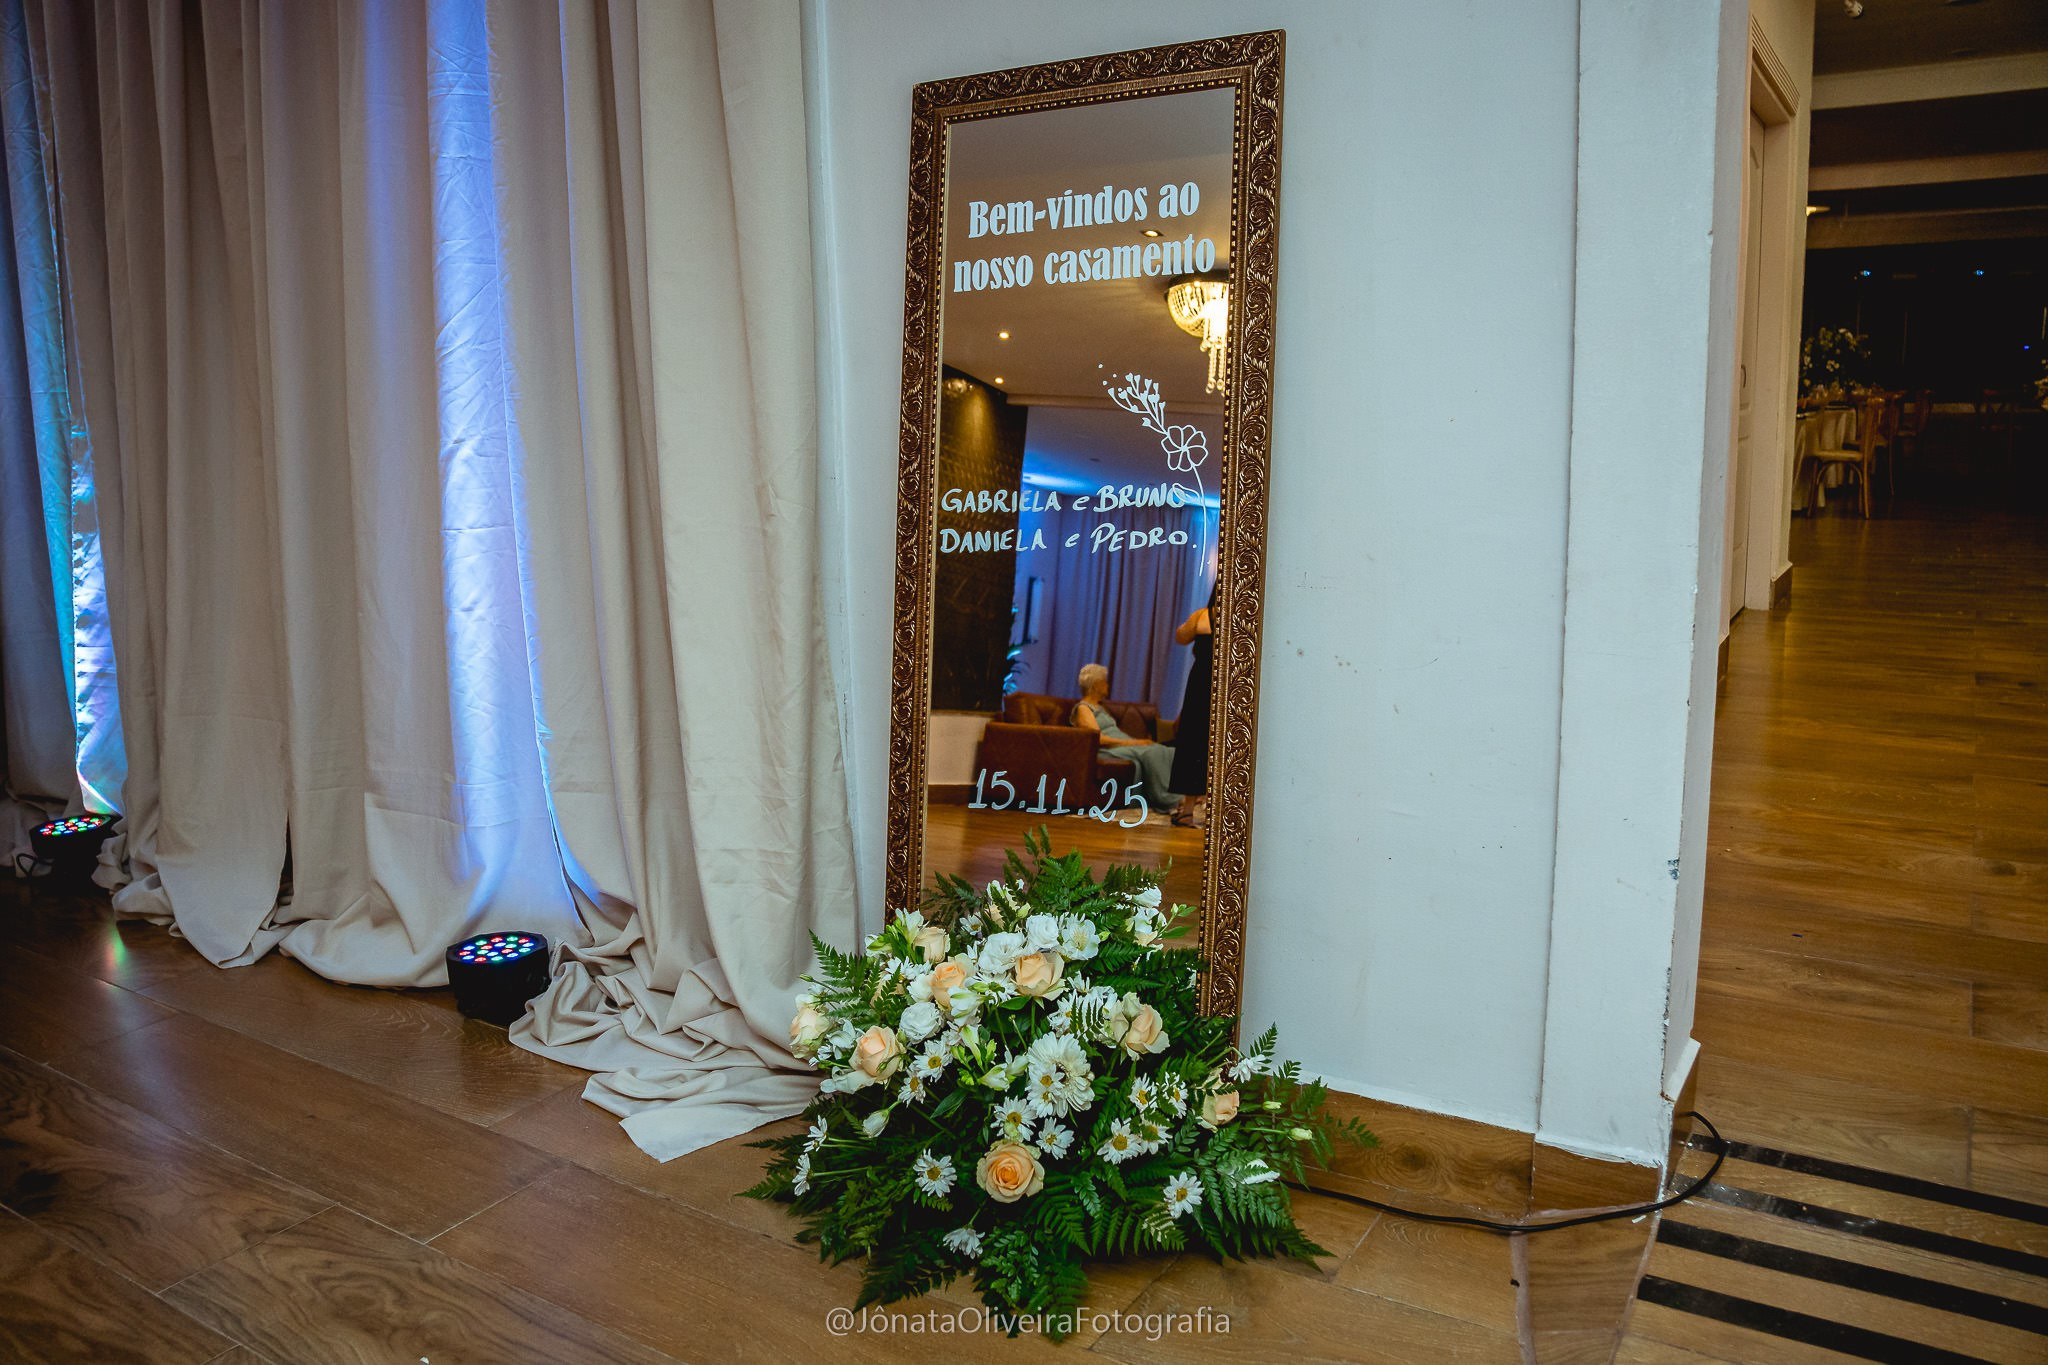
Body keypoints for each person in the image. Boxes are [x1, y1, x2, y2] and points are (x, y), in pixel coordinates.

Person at [1071, 663, 1179, 814]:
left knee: (1168, 751)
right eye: (1104, 682)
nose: (1108, 685)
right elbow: (1098, 739)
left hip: (1122, 746)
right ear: (1095, 685)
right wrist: (1135, 742)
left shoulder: (1101, 707)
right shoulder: (1083, 708)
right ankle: (1169, 801)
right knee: (1152, 752)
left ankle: (1178, 794)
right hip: (1108, 749)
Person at [1168, 587, 1216, 828]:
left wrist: (1198, 618)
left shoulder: (1202, 616)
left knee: (1193, 744)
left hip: (1199, 684)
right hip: (1229, 684)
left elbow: (1180, 636)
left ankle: (1187, 810)